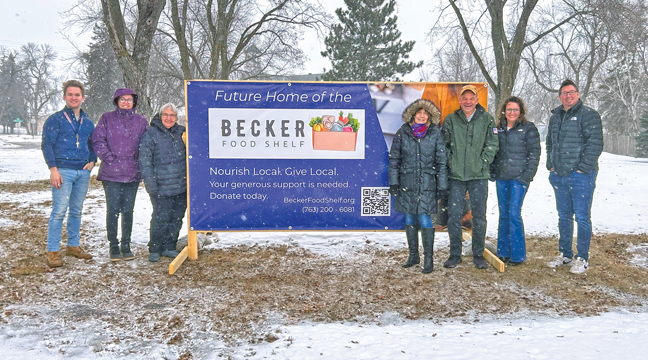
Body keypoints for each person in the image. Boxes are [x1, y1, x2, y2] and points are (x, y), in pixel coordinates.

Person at [545, 79, 603, 274]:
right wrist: (550, 165)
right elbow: (550, 142)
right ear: (560, 96)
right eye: (564, 93)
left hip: (581, 176)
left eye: (571, 92)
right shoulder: (556, 116)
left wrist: (583, 168)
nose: (568, 96)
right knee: (564, 217)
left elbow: (594, 143)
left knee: (582, 217)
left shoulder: (589, 115)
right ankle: (565, 253)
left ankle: (582, 257)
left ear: (577, 94)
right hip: (559, 175)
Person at [442, 84, 499, 269]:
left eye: (471, 98)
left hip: (478, 176)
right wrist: (451, 162)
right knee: (454, 216)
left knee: (479, 216)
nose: (468, 101)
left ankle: (478, 254)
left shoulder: (486, 119)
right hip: (456, 176)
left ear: (476, 100)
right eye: (464, 98)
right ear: (460, 100)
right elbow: (444, 146)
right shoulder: (451, 120)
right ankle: (455, 254)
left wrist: (483, 162)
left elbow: (493, 144)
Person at [41, 80, 97, 268]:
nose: (74, 98)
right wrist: (53, 169)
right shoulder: (55, 119)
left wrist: (92, 160)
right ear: (64, 97)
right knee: (59, 212)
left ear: (83, 97)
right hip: (62, 171)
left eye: (77, 95)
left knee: (76, 211)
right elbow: (47, 144)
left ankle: (73, 245)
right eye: (70, 94)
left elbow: (93, 144)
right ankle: (53, 250)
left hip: (82, 172)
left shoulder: (87, 122)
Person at [389, 99, 448, 273]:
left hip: (428, 183)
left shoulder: (435, 133)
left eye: (425, 113)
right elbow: (394, 159)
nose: (422, 116)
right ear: (413, 115)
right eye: (419, 112)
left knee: (425, 218)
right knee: (409, 218)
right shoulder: (403, 132)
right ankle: (413, 255)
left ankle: (428, 259)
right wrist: (394, 181)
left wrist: (442, 185)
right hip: (407, 182)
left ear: (429, 116)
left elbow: (441, 161)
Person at [92, 88, 148, 261]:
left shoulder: (140, 121)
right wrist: (109, 158)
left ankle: (126, 244)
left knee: (128, 211)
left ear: (134, 102)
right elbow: (97, 139)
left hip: (132, 173)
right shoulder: (107, 118)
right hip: (111, 174)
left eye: (129, 100)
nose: (126, 102)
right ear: (116, 101)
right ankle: (114, 245)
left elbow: (146, 144)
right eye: (123, 99)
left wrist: (140, 162)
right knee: (113, 210)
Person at [490, 96, 540, 266]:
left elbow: (534, 154)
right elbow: (493, 152)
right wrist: (492, 171)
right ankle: (503, 252)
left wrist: (527, 176)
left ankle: (518, 255)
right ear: (504, 111)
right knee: (503, 215)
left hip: (519, 179)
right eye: (509, 109)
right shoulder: (498, 129)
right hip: (502, 178)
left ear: (521, 112)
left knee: (513, 214)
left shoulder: (528, 128)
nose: (512, 113)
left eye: (515, 110)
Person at [138, 103, 187, 262]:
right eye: (165, 114)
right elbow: (145, 161)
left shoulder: (182, 133)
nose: (169, 118)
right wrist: (150, 183)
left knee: (176, 217)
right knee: (161, 217)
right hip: (161, 186)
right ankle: (155, 247)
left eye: (172, 115)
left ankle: (169, 246)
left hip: (181, 185)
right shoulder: (151, 134)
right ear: (160, 116)